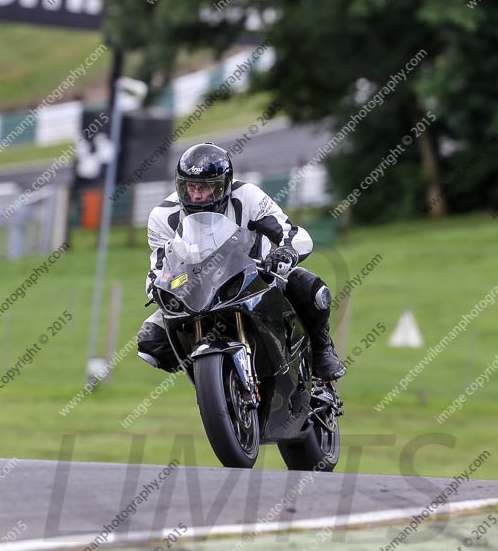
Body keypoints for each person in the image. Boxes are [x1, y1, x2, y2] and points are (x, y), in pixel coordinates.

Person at [138, 142, 345, 381]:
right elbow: (159, 267)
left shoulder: (248, 196)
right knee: (151, 340)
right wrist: (157, 287)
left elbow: (292, 233)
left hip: (255, 278)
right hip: (196, 293)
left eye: (205, 188)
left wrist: (285, 253)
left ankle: (322, 350)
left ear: (224, 184)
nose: (195, 194)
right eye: (189, 186)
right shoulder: (163, 216)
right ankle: (214, 381)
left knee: (308, 286)